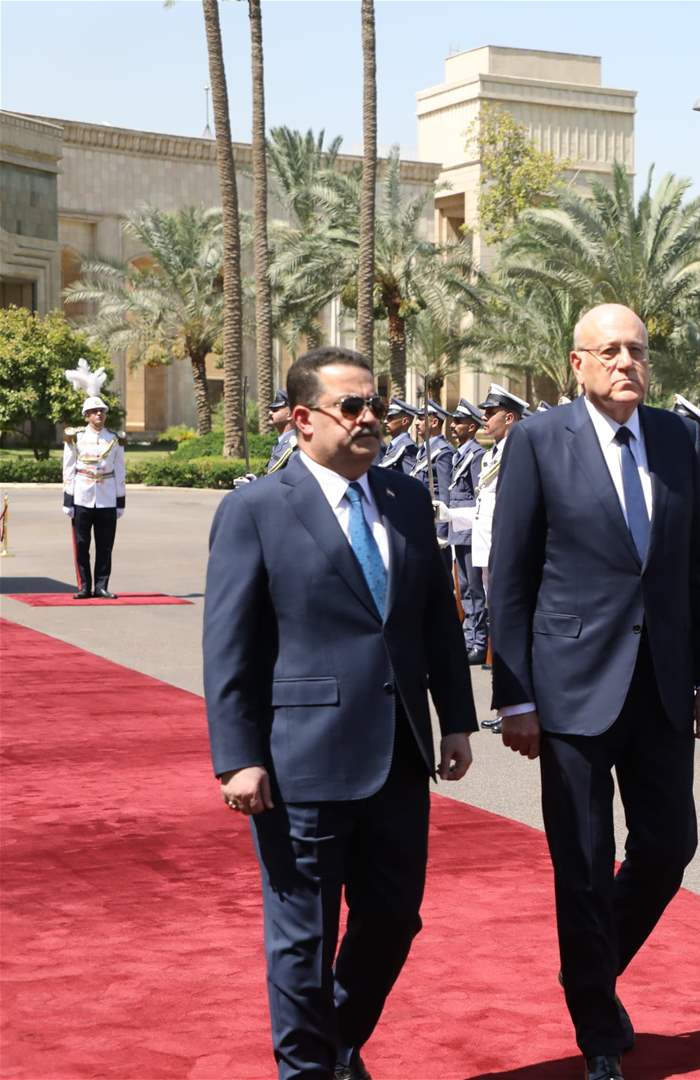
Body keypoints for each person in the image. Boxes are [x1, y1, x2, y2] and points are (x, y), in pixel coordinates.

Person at [203, 346, 476, 1080]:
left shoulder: (404, 499)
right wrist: (237, 756)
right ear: (302, 419)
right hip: (301, 759)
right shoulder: (254, 509)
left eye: (376, 407)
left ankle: (333, 1043)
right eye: (351, 407)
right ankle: (308, 1073)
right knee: (303, 936)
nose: (369, 420)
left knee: (393, 919)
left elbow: (435, 623)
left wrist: (455, 718)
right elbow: (228, 645)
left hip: (399, 754)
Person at [486, 306, 700, 1076]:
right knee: (583, 863)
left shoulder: (677, 439)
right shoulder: (536, 440)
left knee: (668, 847)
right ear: (578, 363)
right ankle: (598, 1032)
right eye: (611, 351)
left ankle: (587, 972)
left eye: (638, 351)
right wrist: (514, 696)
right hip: (570, 692)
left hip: (660, 687)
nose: (627, 363)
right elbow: (510, 574)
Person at [443, 385, 526, 657]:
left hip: (504, 546)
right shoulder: (492, 455)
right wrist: (448, 514)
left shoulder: (517, 452)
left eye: (491, 413)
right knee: (494, 608)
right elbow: (483, 507)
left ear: (510, 418)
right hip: (486, 544)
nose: (485, 419)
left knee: (511, 611)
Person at [62, 392, 125, 600]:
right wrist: (68, 500)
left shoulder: (114, 439)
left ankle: (101, 586)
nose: (99, 414)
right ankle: (84, 586)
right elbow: (69, 468)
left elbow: (119, 470)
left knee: (105, 545)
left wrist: (120, 501)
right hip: (82, 497)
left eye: (102, 411)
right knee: (81, 544)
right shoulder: (76, 437)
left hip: (106, 498)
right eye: (95, 411)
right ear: (86, 415)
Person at [445, 397, 487, 663]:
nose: (454, 425)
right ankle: (469, 638)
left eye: (460, 422)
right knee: (463, 587)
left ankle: (479, 642)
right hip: (457, 529)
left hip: (469, 529)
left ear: (472, 427)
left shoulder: (477, 455)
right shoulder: (460, 454)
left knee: (474, 588)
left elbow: (476, 495)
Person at [376, 399, 420, 473]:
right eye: (386, 418)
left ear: (404, 421)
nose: (385, 421)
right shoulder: (393, 445)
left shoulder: (408, 447)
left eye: (390, 418)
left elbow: (410, 480)